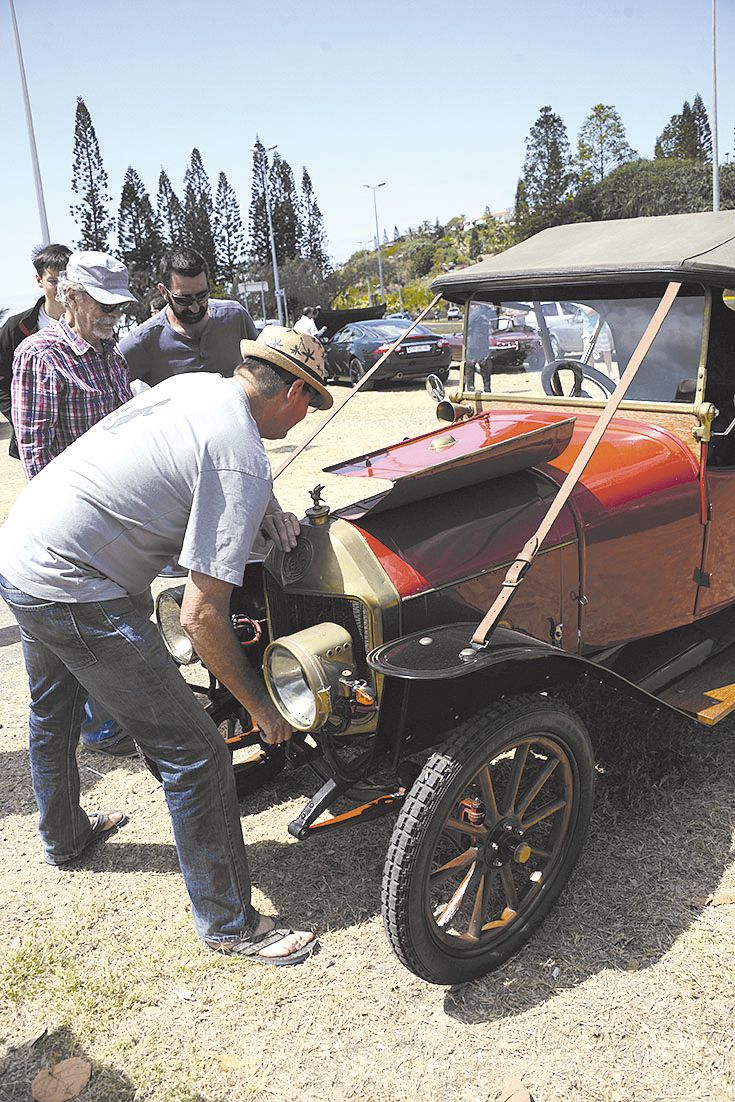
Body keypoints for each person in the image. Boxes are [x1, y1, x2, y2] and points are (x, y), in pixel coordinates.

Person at [0, 326, 331, 965]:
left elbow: (228, 470)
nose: (308, 416)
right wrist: (262, 707)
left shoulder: (199, 388)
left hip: (22, 555)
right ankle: (230, 923)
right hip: (76, 587)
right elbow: (204, 616)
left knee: (52, 712)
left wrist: (269, 510)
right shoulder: (239, 450)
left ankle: (64, 838)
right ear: (290, 390)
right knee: (196, 752)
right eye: (310, 402)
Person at [11, 250, 134, 480]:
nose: (116, 314)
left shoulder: (112, 349)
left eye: (120, 305)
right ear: (72, 295)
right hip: (81, 499)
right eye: (107, 305)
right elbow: (35, 454)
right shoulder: (41, 356)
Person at [119, 246, 258, 388]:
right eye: (183, 300)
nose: (194, 307)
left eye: (202, 296)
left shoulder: (235, 316)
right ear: (163, 292)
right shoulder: (143, 340)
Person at [0, 243, 72, 458]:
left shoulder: (89, 323)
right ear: (39, 280)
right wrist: (21, 417)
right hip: (38, 443)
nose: (61, 287)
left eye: (66, 280)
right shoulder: (14, 327)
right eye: (53, 281)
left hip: (84, 435)